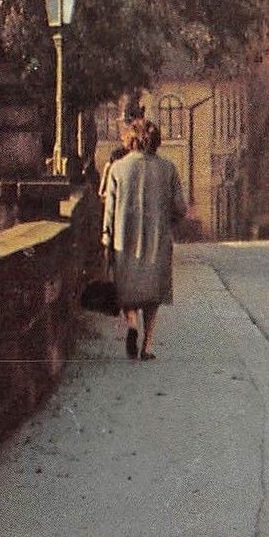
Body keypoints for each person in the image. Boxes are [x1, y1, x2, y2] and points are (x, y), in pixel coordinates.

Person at [101, 119, 187, 361]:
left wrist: (106, 238)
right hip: (157, 240)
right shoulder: (168, 169)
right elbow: (180, 208)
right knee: (153, 294)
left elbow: (109, 210)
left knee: (128, 289)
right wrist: (168, 221)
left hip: (124, 240)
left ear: (130, 140)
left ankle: (131, 324)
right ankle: (147, 347)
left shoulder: (117, 168)